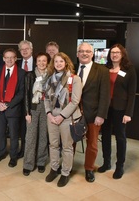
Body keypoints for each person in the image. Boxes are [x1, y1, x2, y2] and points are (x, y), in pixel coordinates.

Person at [98, 44, 137, 179]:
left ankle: (120, 166)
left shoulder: (129, 70)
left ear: (122, 54)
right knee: (105, 136)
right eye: (112, 52)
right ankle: (106, 162)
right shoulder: (105, 68)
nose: (114, 55)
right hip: (106, 108)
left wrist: (128, 113)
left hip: (121, 109)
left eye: (117, 53)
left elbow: (132, 93)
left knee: (120, 137)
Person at [44, 52, 82, 187]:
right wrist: (49, 114)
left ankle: (65, 172)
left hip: (67, 117)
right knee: (53, 144)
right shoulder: (49, 79)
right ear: (52, 64)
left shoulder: (74, 79)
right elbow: (46, 99)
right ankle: (54, 168)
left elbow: (75, 101)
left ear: (66, 63)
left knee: (67, 147)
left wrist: (61, 116)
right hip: (52, 116)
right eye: (56, 61)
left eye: (61, 61)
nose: (58, 64)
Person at [76, 42, 110, 183]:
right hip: (74, 114)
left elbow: (105, 95)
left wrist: (101, 115)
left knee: (92, 144)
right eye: (81, 51)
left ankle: (89, 169)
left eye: (87, 51)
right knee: (70, 142)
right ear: (77, 53)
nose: (84, 53)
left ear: (92, 54)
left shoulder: (102, 70)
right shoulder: (71, 68)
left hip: (93, 114)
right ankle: (66, 167)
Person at [0, 48, 25, 168]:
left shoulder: (21, 73)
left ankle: (13, 156)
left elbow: (21, 93)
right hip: (0, 108)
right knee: (0, 133)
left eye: (12, 57)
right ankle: (0, 153)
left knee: (14, 134)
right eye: (7, 57)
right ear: (3, 58)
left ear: (16, 59)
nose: (9, 59)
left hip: (13, 108)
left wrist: (8, 104)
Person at [22, 52, 50, 176]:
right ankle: (28, 164)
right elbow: (26, 94)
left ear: (47, 62)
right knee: (31, 136)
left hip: (46, 108)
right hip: (33, 108)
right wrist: (27, 112)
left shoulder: (51, 75)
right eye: (39, 61)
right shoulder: (30, 75)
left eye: (44, 61)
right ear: (36, 62)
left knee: (43, 135)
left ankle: (41, 162)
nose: (41, 63)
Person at [16, 40, 36, 158]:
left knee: (34, 128)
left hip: (34, 101)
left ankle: (34, 151)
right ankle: (23, 149)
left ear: (31, 50)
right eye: (22, 49)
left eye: (26, 48)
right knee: (23, 128)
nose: (24, 51)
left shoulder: (38, 62)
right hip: (20, 101)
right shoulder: (16, 63)